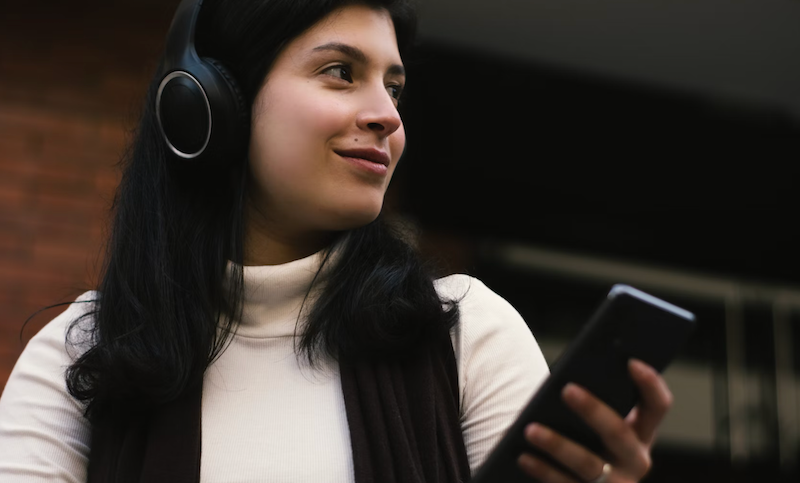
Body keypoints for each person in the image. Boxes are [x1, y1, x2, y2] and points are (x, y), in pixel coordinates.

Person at [0, 0, 672, 482]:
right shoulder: (78, 353)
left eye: (395, 85)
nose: (386, 114)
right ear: (207, 105)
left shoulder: (465, 332)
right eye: (341, 72)